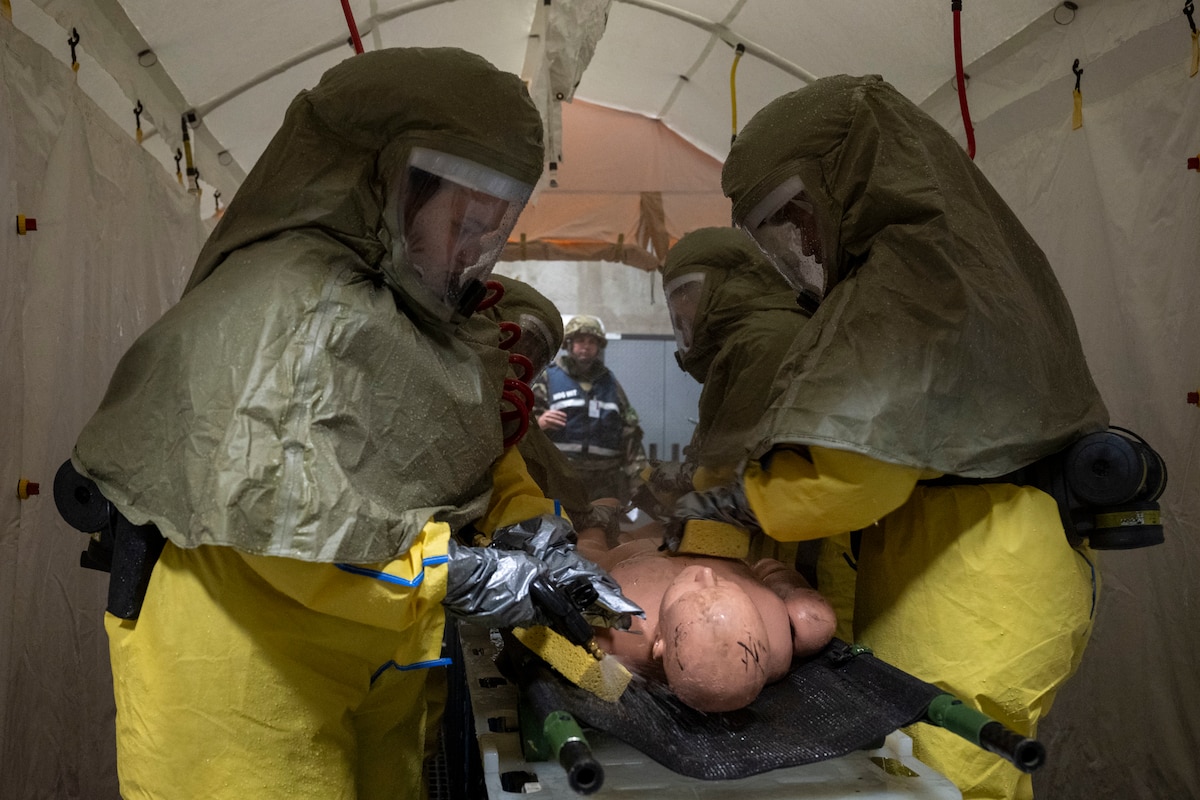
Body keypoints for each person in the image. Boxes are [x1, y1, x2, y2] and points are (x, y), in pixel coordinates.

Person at [69, 48, 636, 800]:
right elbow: (286, 529)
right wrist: (462, 573)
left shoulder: (411, 313)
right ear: (386, 181)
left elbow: (469, 448)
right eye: (465, 219)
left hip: (370, 660)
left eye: (493, 225)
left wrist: (532, 529)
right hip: (244, 675)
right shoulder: (282, 309)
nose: (474, 249)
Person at [668, 75, 1108, 800]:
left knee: (937, 772)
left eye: (800, 212)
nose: (804, 240)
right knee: (943, 765)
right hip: (992, 554)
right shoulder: (961, 256)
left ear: (852, 179)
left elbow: (852, 475)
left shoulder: (903, 282)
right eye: (781, 227)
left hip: (972, 577)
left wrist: (743, 499)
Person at [659, 227, 855, 638]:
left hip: (807, 549)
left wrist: (696, 517)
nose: (680, 308)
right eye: (674, 295)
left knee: (816, 642)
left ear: (730, 282)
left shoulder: (766, 339)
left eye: (688, 291)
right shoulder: (754, 338)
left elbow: (733, 465)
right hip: (785, 537)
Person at [577, 533, 836, 713]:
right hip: (715, 542)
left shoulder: (623, 629)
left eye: (694, 593)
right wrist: (791, 591)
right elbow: (771, 570)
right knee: (812, 621)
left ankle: (598, 519)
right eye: (725, 588)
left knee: (590, 545)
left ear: (660, 642)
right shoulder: (777, 632)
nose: (706, 573)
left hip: (631, 552)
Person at [532, 314, 648, 504]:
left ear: (598, 347)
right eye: (580, 340)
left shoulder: (610, 383)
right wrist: (539, 422)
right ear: (569, 344)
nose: (586, 346)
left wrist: (639, 485)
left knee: (604, 523)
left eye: (592, 342)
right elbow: (522, 428)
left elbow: (630, 435)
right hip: (561, 478)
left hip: (606, 482)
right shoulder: (548, 378)